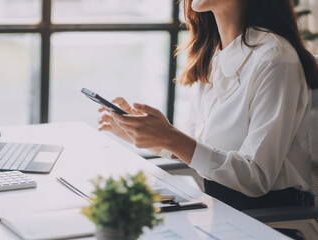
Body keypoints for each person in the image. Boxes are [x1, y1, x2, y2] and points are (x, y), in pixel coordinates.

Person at [97, 0, 318, 212]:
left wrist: (170, 137)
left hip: (271, 219)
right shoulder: (214, 54)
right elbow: (198, 145)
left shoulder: (275, 58)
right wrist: (148, 135)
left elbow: (257, 177)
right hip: (220, 209)